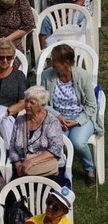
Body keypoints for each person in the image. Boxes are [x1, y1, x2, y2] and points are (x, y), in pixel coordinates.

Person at [41, 43, 101, 186]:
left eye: (54, 60)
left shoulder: (83, 76)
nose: (51, 63)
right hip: (58, 118)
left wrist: (77, 121)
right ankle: (64, 173)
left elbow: (92, 106)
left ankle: (90, 170)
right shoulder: (46, 75)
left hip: (81, 117)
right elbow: (43, 103)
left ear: (66, 63)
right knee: (55, 143)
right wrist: (58, 116)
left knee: (78, 142)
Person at [9, 86, 67, 185]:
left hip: (48, 168)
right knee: (12, 195)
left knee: (52, 195)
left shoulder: (52, 121)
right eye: (26, 101)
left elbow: (55, 149)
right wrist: (18, 165)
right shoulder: (19, 121)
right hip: (23, 168)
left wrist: (31, 162)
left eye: (32, 103)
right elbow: (12, 147)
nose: (27, 105)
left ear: (42, 105)